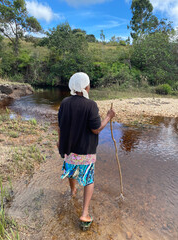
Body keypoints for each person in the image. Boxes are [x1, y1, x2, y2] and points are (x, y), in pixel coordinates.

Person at [57, 72, 115, 226]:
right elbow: (96, 129)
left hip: (69, 149)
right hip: (86, 151)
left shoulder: (65, 102)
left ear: (72, 86)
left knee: (71, 171)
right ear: (86, 87)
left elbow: (60, 124)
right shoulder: (91, 105)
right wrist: (109, 116)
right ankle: (84, 214)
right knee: (89, 180)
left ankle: (73, 191)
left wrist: (59, 142)